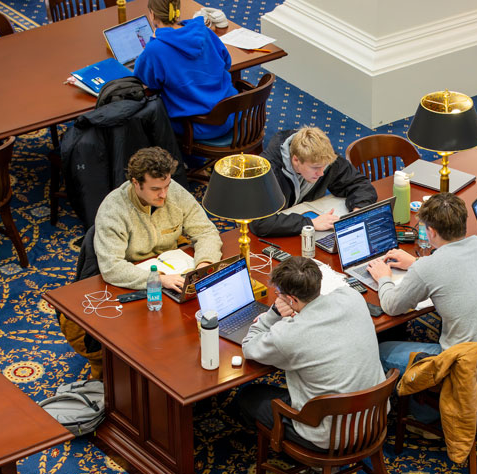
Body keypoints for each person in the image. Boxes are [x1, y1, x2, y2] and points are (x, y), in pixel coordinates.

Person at [236, 257, 386, 452]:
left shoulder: (289, 335)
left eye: (279, 294)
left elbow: (249, 347)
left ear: (291, 299)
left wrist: (273, 312)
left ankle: (305, 466)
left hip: (329, 438)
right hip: (373, 418)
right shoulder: (352, 297)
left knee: (248, 396)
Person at [366, 193, 477, 378]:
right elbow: (456, 266)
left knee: (382, 351)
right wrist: (416, 262)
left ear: (431, 231)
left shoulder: (429, 267)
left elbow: (392, 306)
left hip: (467, 370)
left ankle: (407, 405)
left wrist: (384, 277)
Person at [94, 147, 222, 291]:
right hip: (135, 279)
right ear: (136, 183)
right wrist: (158, 280)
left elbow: (206, 232)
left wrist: (204, 265)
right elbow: (112, 267)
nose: (164, 194)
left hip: (174, 270)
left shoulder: (174, 191)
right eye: (155, 189)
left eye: (166, 186)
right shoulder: (113, 210)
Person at [134, 0, 238, 140]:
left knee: (146, 118)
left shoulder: (155, 50)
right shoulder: (204, 31)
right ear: (177, 11)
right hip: (231, 115)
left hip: (197, 126)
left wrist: (149, 49)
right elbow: (227, 63)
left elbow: (144, 83)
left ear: (152, 15)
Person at [250, 127, 378, 237]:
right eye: (315, 168)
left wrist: (357, 211)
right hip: (274, 234)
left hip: (297, 225)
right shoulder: (267, 170)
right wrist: (310, 223)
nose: (321, 173)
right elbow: (259, 222)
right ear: (296, 160)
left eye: (324, 166)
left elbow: (360, 184)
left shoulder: (322, 158)